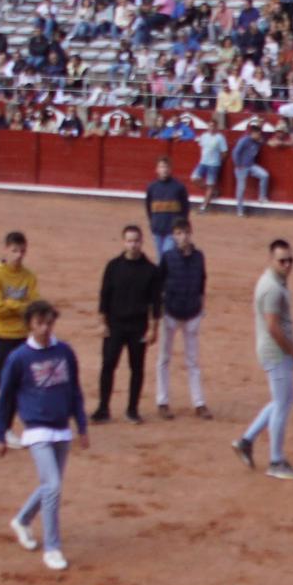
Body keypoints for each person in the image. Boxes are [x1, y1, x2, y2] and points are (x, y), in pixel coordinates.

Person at [0, 300, 88, 573]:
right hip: (36, 429)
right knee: (54, 486)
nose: (45, 329)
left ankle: (22, 520)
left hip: (61, 427)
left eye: (49, 323)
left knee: (50, 485)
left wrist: (82, 426)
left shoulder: (65, 352)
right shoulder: (18, 358)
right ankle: (52, 547)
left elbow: (75, 391)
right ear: (30, 325)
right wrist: (1, 432)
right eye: (39, 323)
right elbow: (6, 397)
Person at [232, 239, 293, 480]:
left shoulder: (273, 280)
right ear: (271, 260)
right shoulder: (272, 287)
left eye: (290, 260)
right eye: (282, 260)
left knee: (282, 400)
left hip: (272, 350)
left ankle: (246, 440)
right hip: (276, 352)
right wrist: (290, 349)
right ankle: (276, 460)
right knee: (283, 404)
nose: (287, 265)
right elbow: (273, 326)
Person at [0, 231, 39, 453]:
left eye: (22, 251)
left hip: (22, 338)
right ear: (5, 249)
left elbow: (33, 309)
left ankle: (6, 429)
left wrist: (12, 304)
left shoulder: (29, 276)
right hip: (1, 337)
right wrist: (20, 306)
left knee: (15, 385)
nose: (18, 256)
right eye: (14, 251)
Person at [94, 223, 161, 424]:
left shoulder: (151, 270)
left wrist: (153, 329)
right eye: (129, 241)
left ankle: (132, 409)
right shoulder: (113, 266)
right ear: (124, 242)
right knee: (108, 365)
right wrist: (102, 322)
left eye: (136, 241)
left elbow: (156, 303)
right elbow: (104, 296)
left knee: (137, 368)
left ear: (142, 242)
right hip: (114, 324)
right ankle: (103, 408)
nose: (133, 245)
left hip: (138, 326)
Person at [156, 219, 210, 420]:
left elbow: (202, 282)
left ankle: (199, 403)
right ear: (173, 236)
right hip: (170, 312)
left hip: (192, 313)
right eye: (179, 233)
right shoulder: (168, 257)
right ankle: (162, 401)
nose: (183, 237)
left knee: (193, 360)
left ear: (191, 233)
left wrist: (202, 309)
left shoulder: (199, 257)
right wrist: (159, 310)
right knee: (164, 358)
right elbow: (158, 284)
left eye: (186, 232)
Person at [143, 157, 190, 259]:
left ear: (170, 169)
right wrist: (152, 224)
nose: (164, 170)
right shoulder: (151, 187)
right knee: (160, 257)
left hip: (172, 230)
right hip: (157, 228)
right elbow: (148, 207)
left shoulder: (179, 187)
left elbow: (185, 208)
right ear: (156, 169)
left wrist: (182, 227)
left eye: (166, 167)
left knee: (165, 255)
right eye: (161, 167)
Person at [231, 126, 269, 213]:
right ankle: (239, 210)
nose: (260, 136)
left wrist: (260, 141)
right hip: (241, 167)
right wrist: (237, 164)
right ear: (253, 133)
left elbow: (263, 142)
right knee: (241, 188)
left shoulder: (257, 142)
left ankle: (262, 197)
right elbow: (235, 152)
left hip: (251, 165)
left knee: (264, 175)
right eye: (258, 134)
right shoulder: (244, 140)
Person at [192, 123, 229, 213]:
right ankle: (214, 191)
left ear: (216, 127)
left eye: (213, 126)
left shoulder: (220, 137)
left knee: (210, 185)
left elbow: (224, 152)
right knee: (194, 178)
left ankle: (203, 207)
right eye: (210, 126)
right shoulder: (204, 136)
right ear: (208, 127)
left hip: (214, 164)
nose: (211, 128)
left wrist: (218, 161)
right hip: (203, 162)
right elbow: (201, 147)